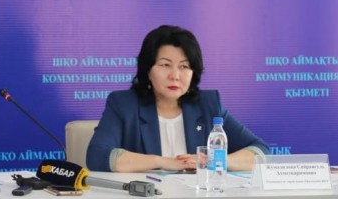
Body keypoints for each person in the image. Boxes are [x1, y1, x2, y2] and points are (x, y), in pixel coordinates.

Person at [86, 25, 268, 173]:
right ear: (147, 70)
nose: (175, 75)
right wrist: (164, 162)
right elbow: (97, 156)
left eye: (184, 67)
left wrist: (214, 161)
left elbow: (261, 152)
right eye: (165, 65)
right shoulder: (124, 104)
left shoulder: (208, 104)